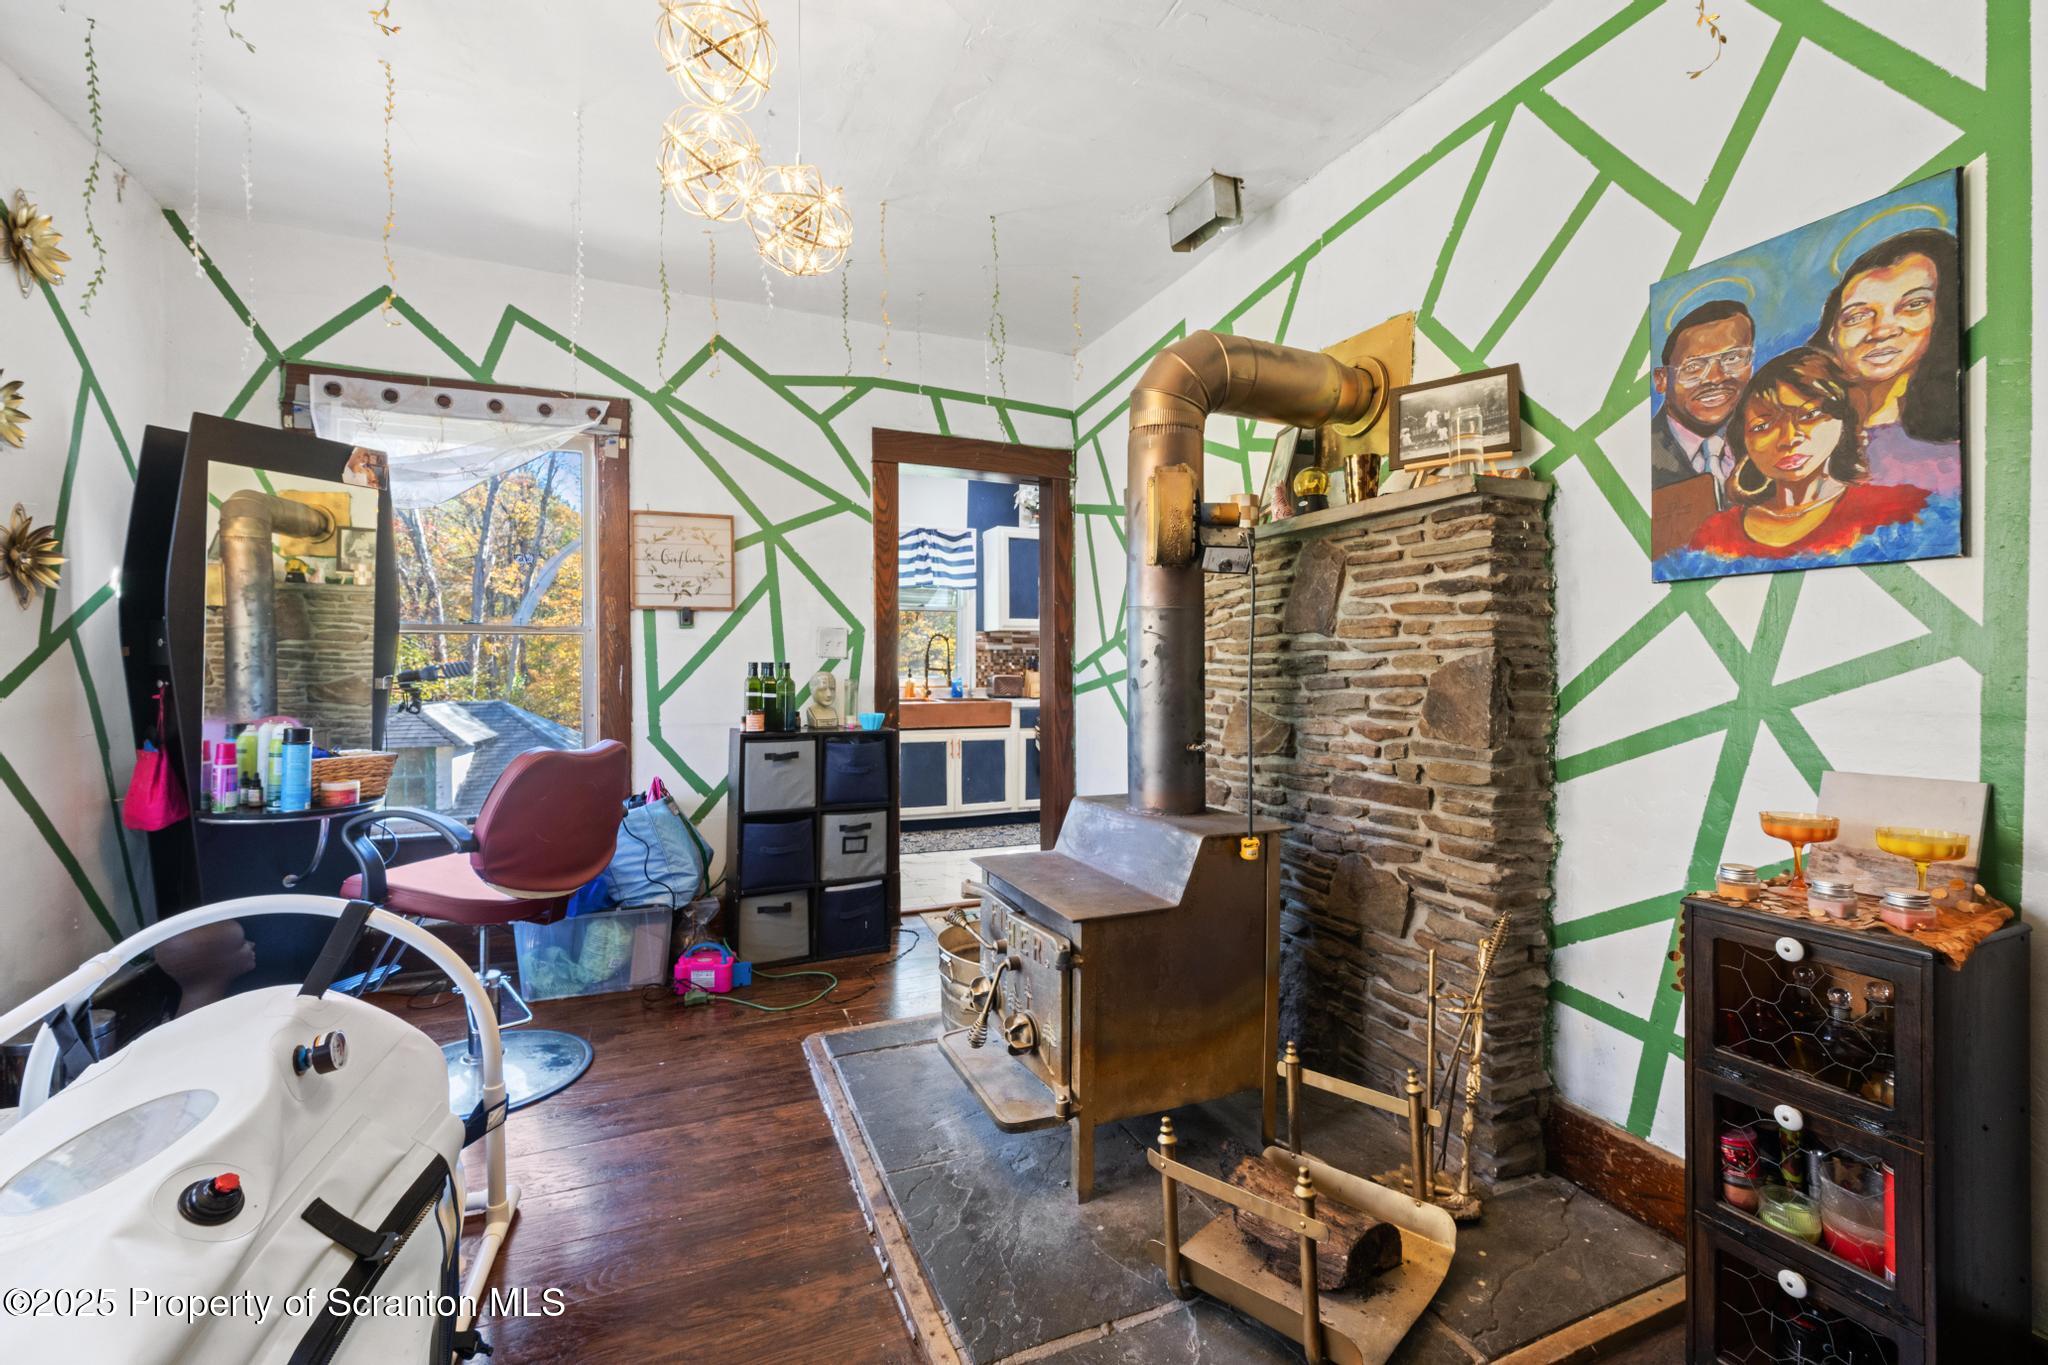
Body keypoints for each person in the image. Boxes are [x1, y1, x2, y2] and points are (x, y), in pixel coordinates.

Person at [1654, 348, 1957, 580]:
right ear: (1743, 443)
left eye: (1810, 416)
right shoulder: (1714, 534)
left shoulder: (1899, 512)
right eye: (1763, 426)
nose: (1788, 437)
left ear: (1843, 423)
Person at [1808, 227, 1961, 495]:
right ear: (1832, 334)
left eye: (1913, 305)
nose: (1881, 330)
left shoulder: (1954, 456)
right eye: (1857, 316)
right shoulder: (1790, 441)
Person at [1651, 299, 1756, 505]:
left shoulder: (1770, 441)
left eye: (1733, 358)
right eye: (1695, 366)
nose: (1716, 378)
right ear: (1662, 379)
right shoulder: (1645, 455)